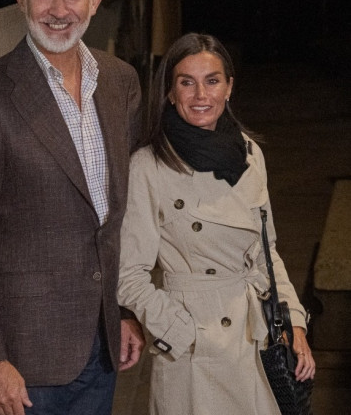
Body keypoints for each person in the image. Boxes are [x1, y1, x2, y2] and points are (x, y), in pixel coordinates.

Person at [0, 0, 145, 415]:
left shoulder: (120, 82)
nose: (58, 9)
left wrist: (123, 310)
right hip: (23, 360)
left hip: (101, 347)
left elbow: (116, 219)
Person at [116, 32, 315, 414]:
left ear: (229, 87)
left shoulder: (250, 154)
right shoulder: (148, 166)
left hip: (254, 338)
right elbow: (128, 274)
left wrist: (294, 322)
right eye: (186, 83)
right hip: (194, 352)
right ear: (170, 91)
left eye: (212, 81)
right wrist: (178, 331)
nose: (200, 95)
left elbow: (266, 252)